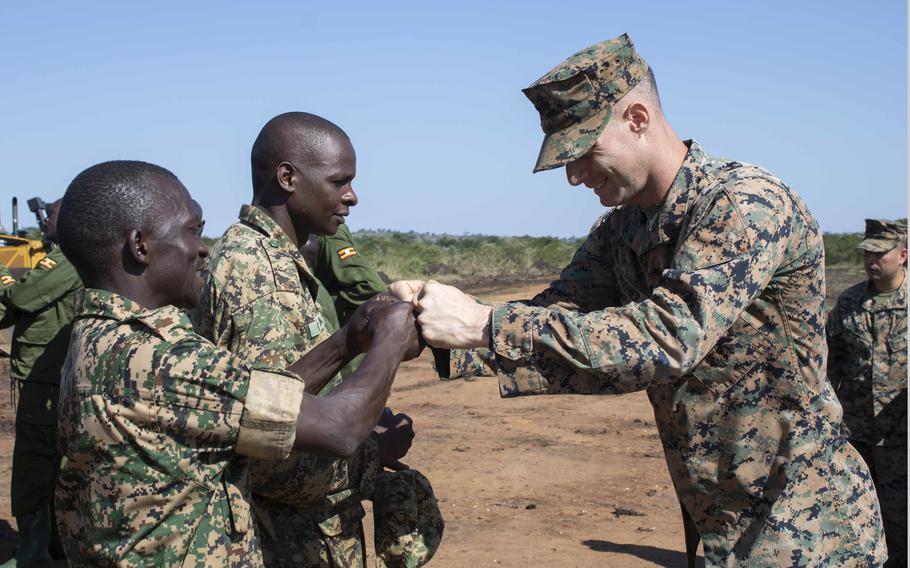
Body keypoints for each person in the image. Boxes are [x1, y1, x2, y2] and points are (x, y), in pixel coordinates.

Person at [397, 34, 886, 565]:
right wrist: (427, 320)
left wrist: (485, 324)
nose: (574, 176)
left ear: (636, 118)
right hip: (719, 515)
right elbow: (559, 312)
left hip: (806, 522)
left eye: (583, 152)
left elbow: (665, 337)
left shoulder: (742, 205)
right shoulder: (621, 229)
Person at [53, 160, 420, 566]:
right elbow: (339, 428)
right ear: (141, 246)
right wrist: (391, 339)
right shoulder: (165, 361)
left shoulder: (102, 339)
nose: (203, 247)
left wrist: (345, 342)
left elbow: (246, 398)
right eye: (192, 231)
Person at [194, 112, 440, 567]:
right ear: (287, 178)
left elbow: (282, 390)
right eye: (339, 182)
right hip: (290, 539)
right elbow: (271, 452)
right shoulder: (261, 277)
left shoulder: (271, 258)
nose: (352, 196)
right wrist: (372, 454)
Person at [1, 198, 81, 566]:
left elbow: (22, 295)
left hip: (45, 379)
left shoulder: (66, 258)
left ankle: (35, 555)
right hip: (50, 377)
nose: (46, 220)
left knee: (34, 466)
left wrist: (3, 277)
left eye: (50, 215)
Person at [827, 218, 907, 567]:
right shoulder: (850, 301)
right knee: (855, 513)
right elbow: (828, 361)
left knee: (900, 519)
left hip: (901, 436)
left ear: (902, 255)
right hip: (855, 433)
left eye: (879, 254)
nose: (870, 261)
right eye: (867, 254)